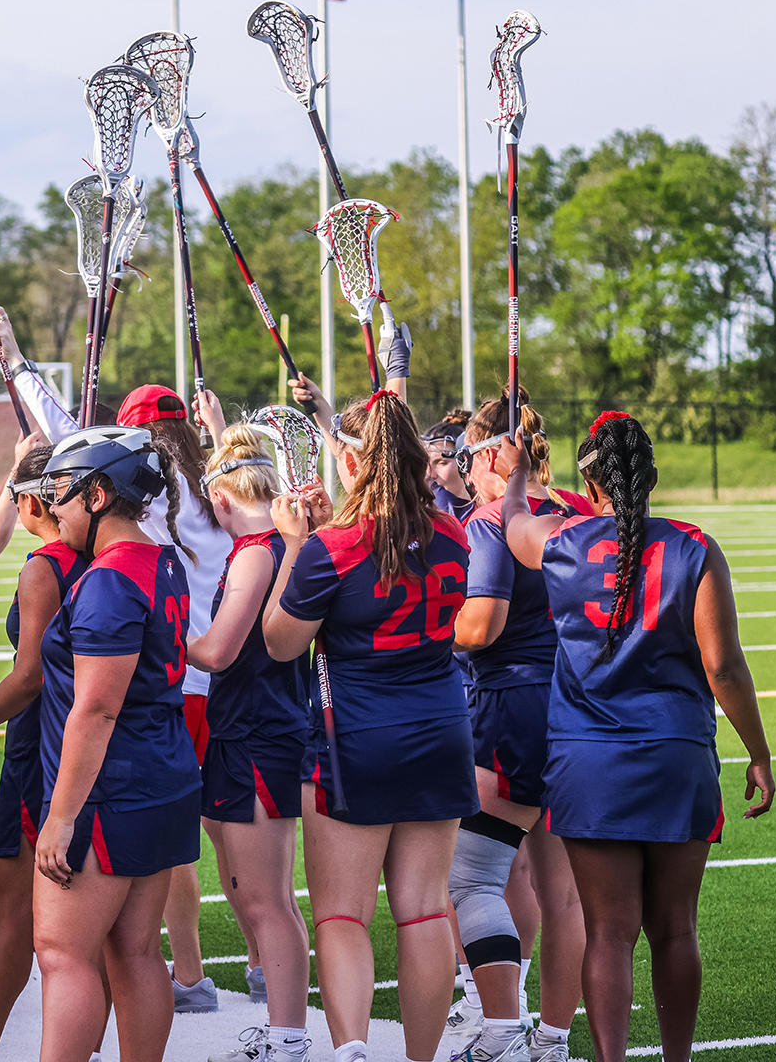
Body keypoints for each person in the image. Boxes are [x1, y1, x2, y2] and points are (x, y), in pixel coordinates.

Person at [499, 411, 774, 1062]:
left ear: (589, 486)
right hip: (676, 757)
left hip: (586, 764)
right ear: (649, 476)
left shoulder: (559, 542)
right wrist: (758, 752)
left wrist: (516, 473)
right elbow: (724, 668)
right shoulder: (692, 546)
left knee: (609, 933)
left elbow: (511, 524)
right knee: (676, 931)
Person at [0, 303, 232, 1010]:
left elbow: (92, 707)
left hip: (121, 719)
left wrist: (18, 364)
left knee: (70, 948)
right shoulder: (206, 499)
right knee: (142, 925)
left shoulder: (115, 554)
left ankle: (186, 971)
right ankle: (191, 971)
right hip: (192, 695)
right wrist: (218, 435)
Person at [263, 389, 476, 1062]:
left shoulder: (331, 548)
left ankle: (354, 1047)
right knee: (422, 908)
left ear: (351, 466)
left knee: (342, 914)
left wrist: (297, 546)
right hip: (441, 729)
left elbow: (278, 643)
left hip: (354, 738)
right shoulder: (454, 534)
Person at [28, 426, 201, 1062]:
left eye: (63, 494)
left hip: (110, 790)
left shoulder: (109, 578)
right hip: (162, 773)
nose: (54, 508)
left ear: (98, 495)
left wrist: (61, 817)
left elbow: (96, 708)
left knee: (64, 954)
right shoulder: (162, 558)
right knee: (135, 950)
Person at [446, 395, 593, 1062]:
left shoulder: (489, 523)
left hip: (514, 706)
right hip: (578, 707)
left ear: (489, 458)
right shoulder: (573, 512)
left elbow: (483, 625)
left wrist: (424, 632)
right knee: (561, 891)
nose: (461, 472)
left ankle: (502, 1029)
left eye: (466, 458)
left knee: (470, 876)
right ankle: (554, 1039)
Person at [183, 425, 314, 1062]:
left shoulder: (257, 552)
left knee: (268, 900)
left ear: (222, 499)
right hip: (251, 725)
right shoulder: (268, 546)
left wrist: (154, 629)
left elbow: (217, 650)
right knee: (253, 888)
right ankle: (281, 1021)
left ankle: (288, 1036)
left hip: (259, 729)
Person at [0, 443, 88, 1062]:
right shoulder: (127, 555)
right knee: (117, 937)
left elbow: (28, 676)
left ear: (32, 500)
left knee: (12, 917)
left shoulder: (50, 564)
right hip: (115, 753)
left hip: (43, 751)